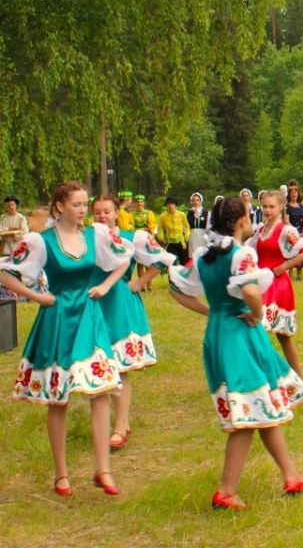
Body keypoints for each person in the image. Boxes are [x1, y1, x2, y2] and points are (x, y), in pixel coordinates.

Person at [168, 196, 303, 510]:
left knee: (260, 404)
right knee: (247, 412)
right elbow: (250, 291)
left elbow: (176, 287)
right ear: (240, 222)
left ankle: (291, 474)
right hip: (239, 335)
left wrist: (211, 311)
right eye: (249, 215)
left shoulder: (204, 254)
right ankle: (226, 489)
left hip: (219, 333)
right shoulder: (241, 253)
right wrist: (258, 313)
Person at [0, 181, 132, 497]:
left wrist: (106, 285)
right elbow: (6, 272)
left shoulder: (96, 235)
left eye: (86, 204)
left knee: (100, 390)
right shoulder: (41, 241)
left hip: (89, 317)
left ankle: (103, 469)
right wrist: (36, 296)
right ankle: (61, 474)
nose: (84, 210)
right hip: (58, 318)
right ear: (59, 207)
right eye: (77, 204)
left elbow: (124, 256)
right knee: (58, 397)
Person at [91, 193, 176, 450]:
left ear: (117, 212)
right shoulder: (87, 238)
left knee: (121, 364)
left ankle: (120, 424)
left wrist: (138, 282)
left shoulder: (132, 237)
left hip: (121, 304)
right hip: (94, 303)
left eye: (107, 211)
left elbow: (162, 259)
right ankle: (111, 421)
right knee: (99, 362)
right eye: (97, 212)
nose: (102, 216)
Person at [247, 190, 303, 376]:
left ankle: (296, 376)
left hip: (277, 284)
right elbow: (249, 250)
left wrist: (284, 266)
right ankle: (263, 374)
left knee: (281, 334)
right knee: (260, 329)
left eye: (271, 206)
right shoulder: (260, 229)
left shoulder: (286, 230)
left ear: (281, 206)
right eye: (264, 206)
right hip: (261, 281)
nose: (267, 210)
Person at [158, 196, 190, 262]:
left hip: (181, 241)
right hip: (169, 242)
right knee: (171, 262)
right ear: (166, 205)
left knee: (184, 262)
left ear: (175, 204)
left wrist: (186, 236)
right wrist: (161, 238)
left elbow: (187, 226)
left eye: (172, 204)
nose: (170, 206)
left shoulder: (181, 214)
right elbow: (160, 229)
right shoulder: (163, 216)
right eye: (168, 204)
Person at [186, 192, 211, 260]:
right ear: (191, 202)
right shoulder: (188, 213)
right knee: (193, 256)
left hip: (203, 236)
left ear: (201, 201)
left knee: (202, 255)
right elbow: (186, 227)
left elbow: (208, 227)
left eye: (197, 200)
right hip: (193, 237)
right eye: (194, 200)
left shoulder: (206, 213)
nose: (196, 202)